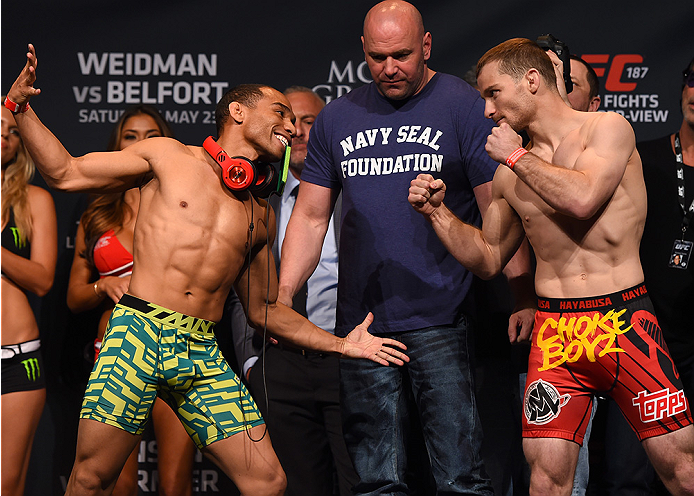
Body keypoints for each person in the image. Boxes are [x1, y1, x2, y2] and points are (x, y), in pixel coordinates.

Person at [7, 44, 408, 496]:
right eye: (280, 113)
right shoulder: (167, 156)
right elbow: (64, 173)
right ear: (237, 111)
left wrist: (341, 344)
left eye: (295, 121)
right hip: (138, 332)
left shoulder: (261, 212)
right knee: (91, 479)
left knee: (268, 480)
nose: (292, 127)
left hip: (200, 348)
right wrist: (19, 107)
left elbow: (265, 311)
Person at [408, 38, 694, 495]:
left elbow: (582, 199)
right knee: (545, 479)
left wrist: (517, 158)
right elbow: (486, 258)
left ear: (532, 80)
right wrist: (438, 215)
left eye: (493, 93)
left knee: (680, 469)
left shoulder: (606, 128)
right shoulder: (507, 174)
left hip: (625, 323)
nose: (486, 110)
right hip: (556, 333)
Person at [277, 2, 535, 494]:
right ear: (363, 52)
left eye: (401, 55)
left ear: (427, 46)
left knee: (459, 478)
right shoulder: (337, 117)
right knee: (375, 482)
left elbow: (499, 213)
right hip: (363, 327)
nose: (389, 68)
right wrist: (285, 296)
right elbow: (311, 216)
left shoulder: (461, 105)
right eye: (377, 57)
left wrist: (522, 292)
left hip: (443, 315)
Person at [66, 105, 198, 496]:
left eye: (151, 136)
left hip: (177, 346)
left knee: (175, 483)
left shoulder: (187, 207)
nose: (141, 144)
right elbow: (73, 297)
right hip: (116, 350)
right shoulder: (97, 214)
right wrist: (101, 287)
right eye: (130, 136)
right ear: (117, 145)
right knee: (117, 482)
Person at [233, 86, 357, 496]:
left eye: (310, 122)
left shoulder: (355, 198)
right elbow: (239, 286)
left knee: (363, 483)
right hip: (279, 363)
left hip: (348, 358)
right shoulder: (256, 199)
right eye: (291, 121)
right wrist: (252, 360)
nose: (299, 131)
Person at [600, 56, 694, 496]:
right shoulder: (644, 156)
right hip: (642, 333)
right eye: (693, 81)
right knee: (627, 475)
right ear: (681, 89)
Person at [1, 95, 57, 496]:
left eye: (12, 133)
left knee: (7, 483)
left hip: (17, 359)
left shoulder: (35, 200)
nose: (4, 139)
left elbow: (42, 280)